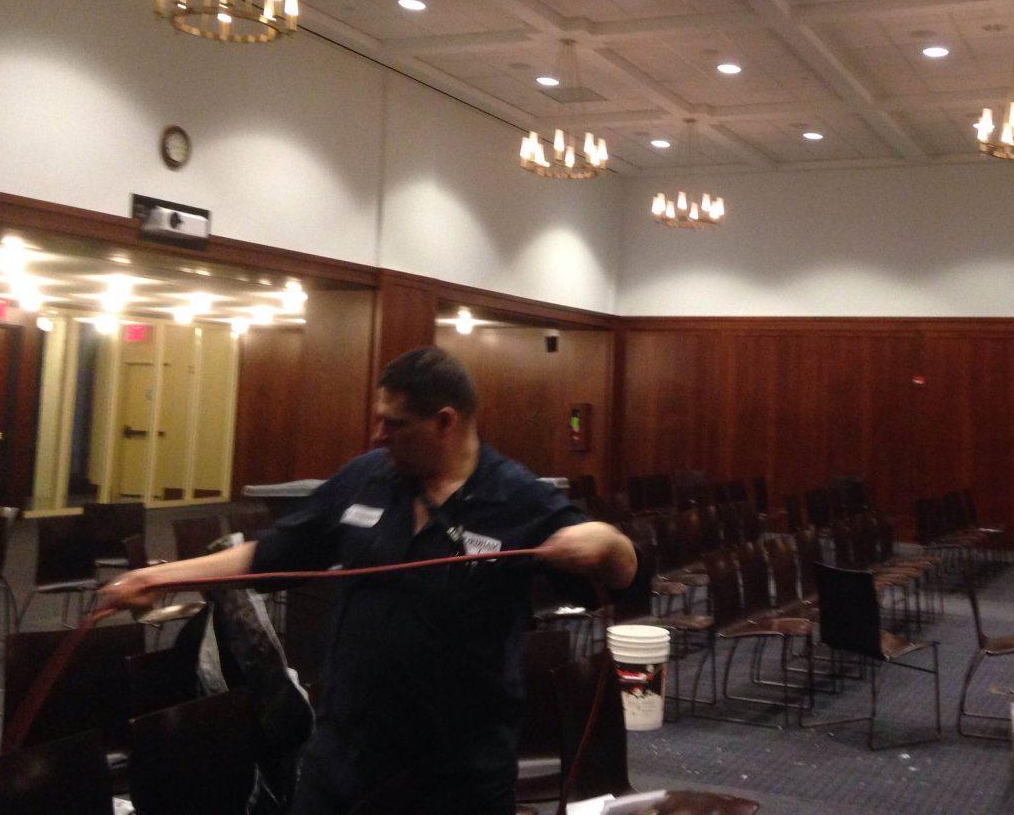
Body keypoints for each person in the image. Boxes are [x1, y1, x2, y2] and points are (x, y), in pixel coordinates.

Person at [100, 347, 638, 815]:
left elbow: (624, 575)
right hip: (344, 753)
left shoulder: (517, 499)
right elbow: (268, 555)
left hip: (457, 773)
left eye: (394, 423)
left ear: (445, 422)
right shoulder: (367, 478)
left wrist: (609, 545)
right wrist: (159, 576)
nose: (377, 434)